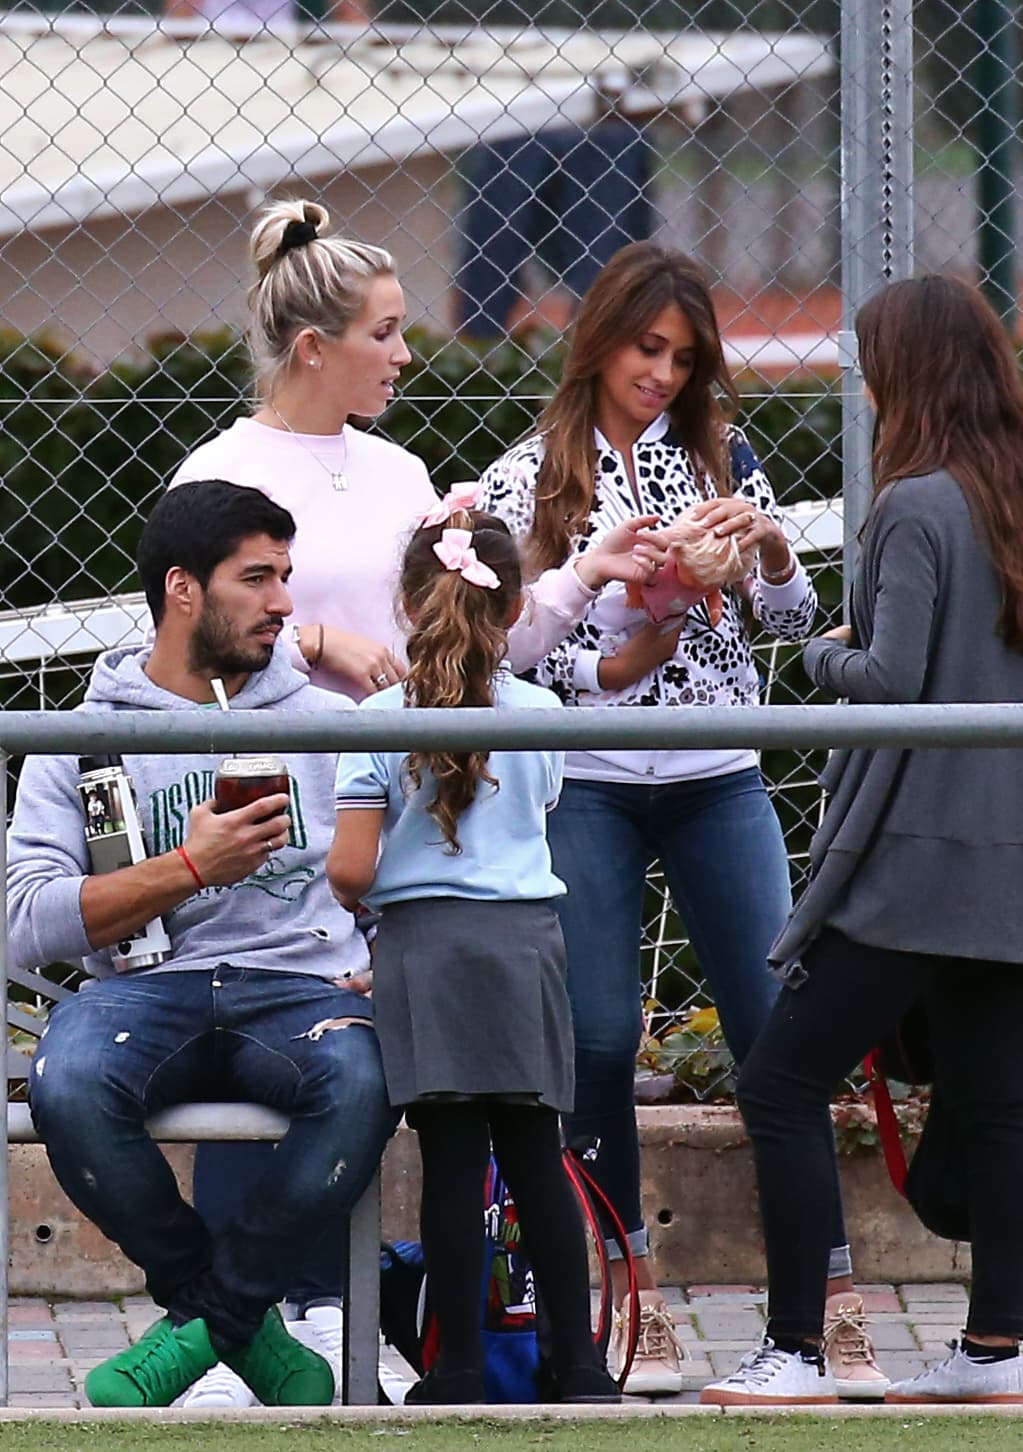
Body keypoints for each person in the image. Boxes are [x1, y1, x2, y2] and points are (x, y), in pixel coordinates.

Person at [168, 199, 671, 1405]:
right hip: (296, 824)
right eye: (386, 334)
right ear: (312, 347)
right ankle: (249, 1330)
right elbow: (202, 649)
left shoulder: (398, 474)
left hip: (407, 851)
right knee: (269, 1058)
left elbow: (466, 648)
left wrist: (577, 584)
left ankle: (374, 1332)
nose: (405, 355)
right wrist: (317, 648)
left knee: (408, 1115)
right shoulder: (222, 471)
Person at [479, 240, 884, 1400]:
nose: (662, 373)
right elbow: (514, 661)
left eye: (682, 356)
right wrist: (622, 636)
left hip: (716, 771)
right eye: (646, 349)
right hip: (591, 781)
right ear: (600, 339)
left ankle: (828, 1298)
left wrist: (759, 548)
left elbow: (789, 615)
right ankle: (630, 1293)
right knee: (598, 1036)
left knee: (775, 1030)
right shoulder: (530, 478)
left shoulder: (722, 453)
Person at [701, 274, 1023, 1406]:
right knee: (996, 1109)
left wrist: (822, 649)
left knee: (780, 1083)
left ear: (909, 374)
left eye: (874, 363)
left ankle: (795, 1348)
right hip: (1006, 870)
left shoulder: (916, 505)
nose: (866, 383)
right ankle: (998, 1350)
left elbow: (887, 682)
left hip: (909, 867)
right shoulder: (1007, 495)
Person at [7, 480, 396, 1409]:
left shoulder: (336, 730)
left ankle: (204, 1327)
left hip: (303, 989)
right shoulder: (83, 738)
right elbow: (25, 919)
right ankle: (245, 1330)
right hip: (146, 991)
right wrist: (189, 866)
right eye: (255, 578)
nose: (285, 604)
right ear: (183, 589)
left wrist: (390, 961)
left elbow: (397, 882)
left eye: (286, 576)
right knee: (67, 1082)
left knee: (369, 1078)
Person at [327, 507, 621, 1406]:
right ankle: (575, 1367)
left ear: (410, 605)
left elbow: (349, 868)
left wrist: (371, 903)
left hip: (423, 951)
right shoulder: (542, 716)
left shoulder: (378, 721)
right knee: (538, 1156)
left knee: (452, 1165)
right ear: (517, 606)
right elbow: (538, 817)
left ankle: (454, 1370)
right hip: (523, 945)